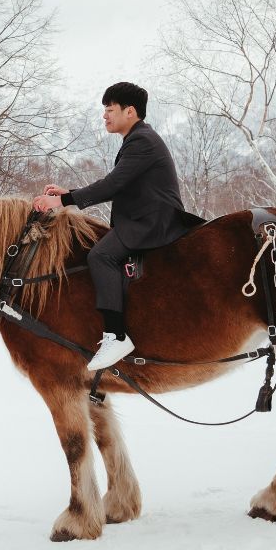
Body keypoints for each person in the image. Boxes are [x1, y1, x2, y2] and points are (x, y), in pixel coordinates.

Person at [32, 82, 203, 371]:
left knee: (100, 255)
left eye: (110, 110)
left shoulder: (142, 142)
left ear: (130, 111)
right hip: (146, 218)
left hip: (154, 220)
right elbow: (118, 186)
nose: (105, 116)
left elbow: (113, 184)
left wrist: (62, 203)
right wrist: (67, 194)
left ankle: (116, 334)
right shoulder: (137, 140)